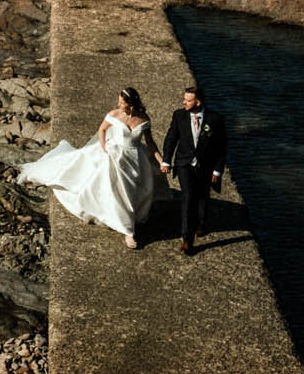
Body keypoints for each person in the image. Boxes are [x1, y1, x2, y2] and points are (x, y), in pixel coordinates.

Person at [17, 88, 163, 249]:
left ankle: (128, 220)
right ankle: (128, 231)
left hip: (135, 159)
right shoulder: (114, 114)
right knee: (118, 191)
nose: (118, 104)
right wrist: (104, 148)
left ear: (131, 105)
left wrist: (162, 161)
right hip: (114, 156)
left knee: (132, 190)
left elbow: (150, 143)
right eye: (119, 102)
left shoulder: (143, 119)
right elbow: (102, 130)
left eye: (122, 103)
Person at [159, 82, 227, 256]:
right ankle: (187, 240)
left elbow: (221, 147)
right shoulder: (179, 116)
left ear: (198, 102)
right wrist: (166, 160)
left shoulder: (215, 119)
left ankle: (201, 224)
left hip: (206, 166)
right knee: (188, 198)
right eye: (184, 99)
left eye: (188, 100)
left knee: (203, 196)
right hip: (184, 164)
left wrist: (217, 171)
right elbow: (171, 139)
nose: (184, 103)